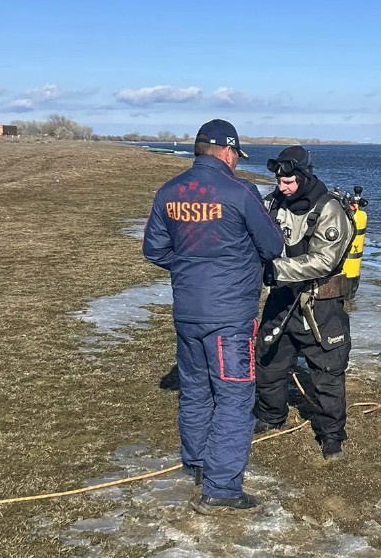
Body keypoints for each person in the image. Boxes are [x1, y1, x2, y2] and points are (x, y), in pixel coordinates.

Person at [143, 119, 284, 513]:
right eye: (237, 154)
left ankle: (197, 463)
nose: (237, 161)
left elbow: (154, 251)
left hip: (187, 311)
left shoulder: (168, 192)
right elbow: (272, 245)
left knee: (196, 390)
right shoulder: (240, 192)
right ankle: (221, 488)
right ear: (227, 152)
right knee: (235, 398)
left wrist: (191, 269)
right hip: (230, 316)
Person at [254, 145, 355, 460]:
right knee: (268, 361)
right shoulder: (272, 203)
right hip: (281, 298)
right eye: (278, 181)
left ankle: (331, 436)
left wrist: (274, 270)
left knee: (327, 370)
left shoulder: (330, 210)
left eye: (289, 182)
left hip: (320, 304)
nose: (282, 187)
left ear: (305, 176)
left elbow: (324, 261)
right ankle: (271, 416)